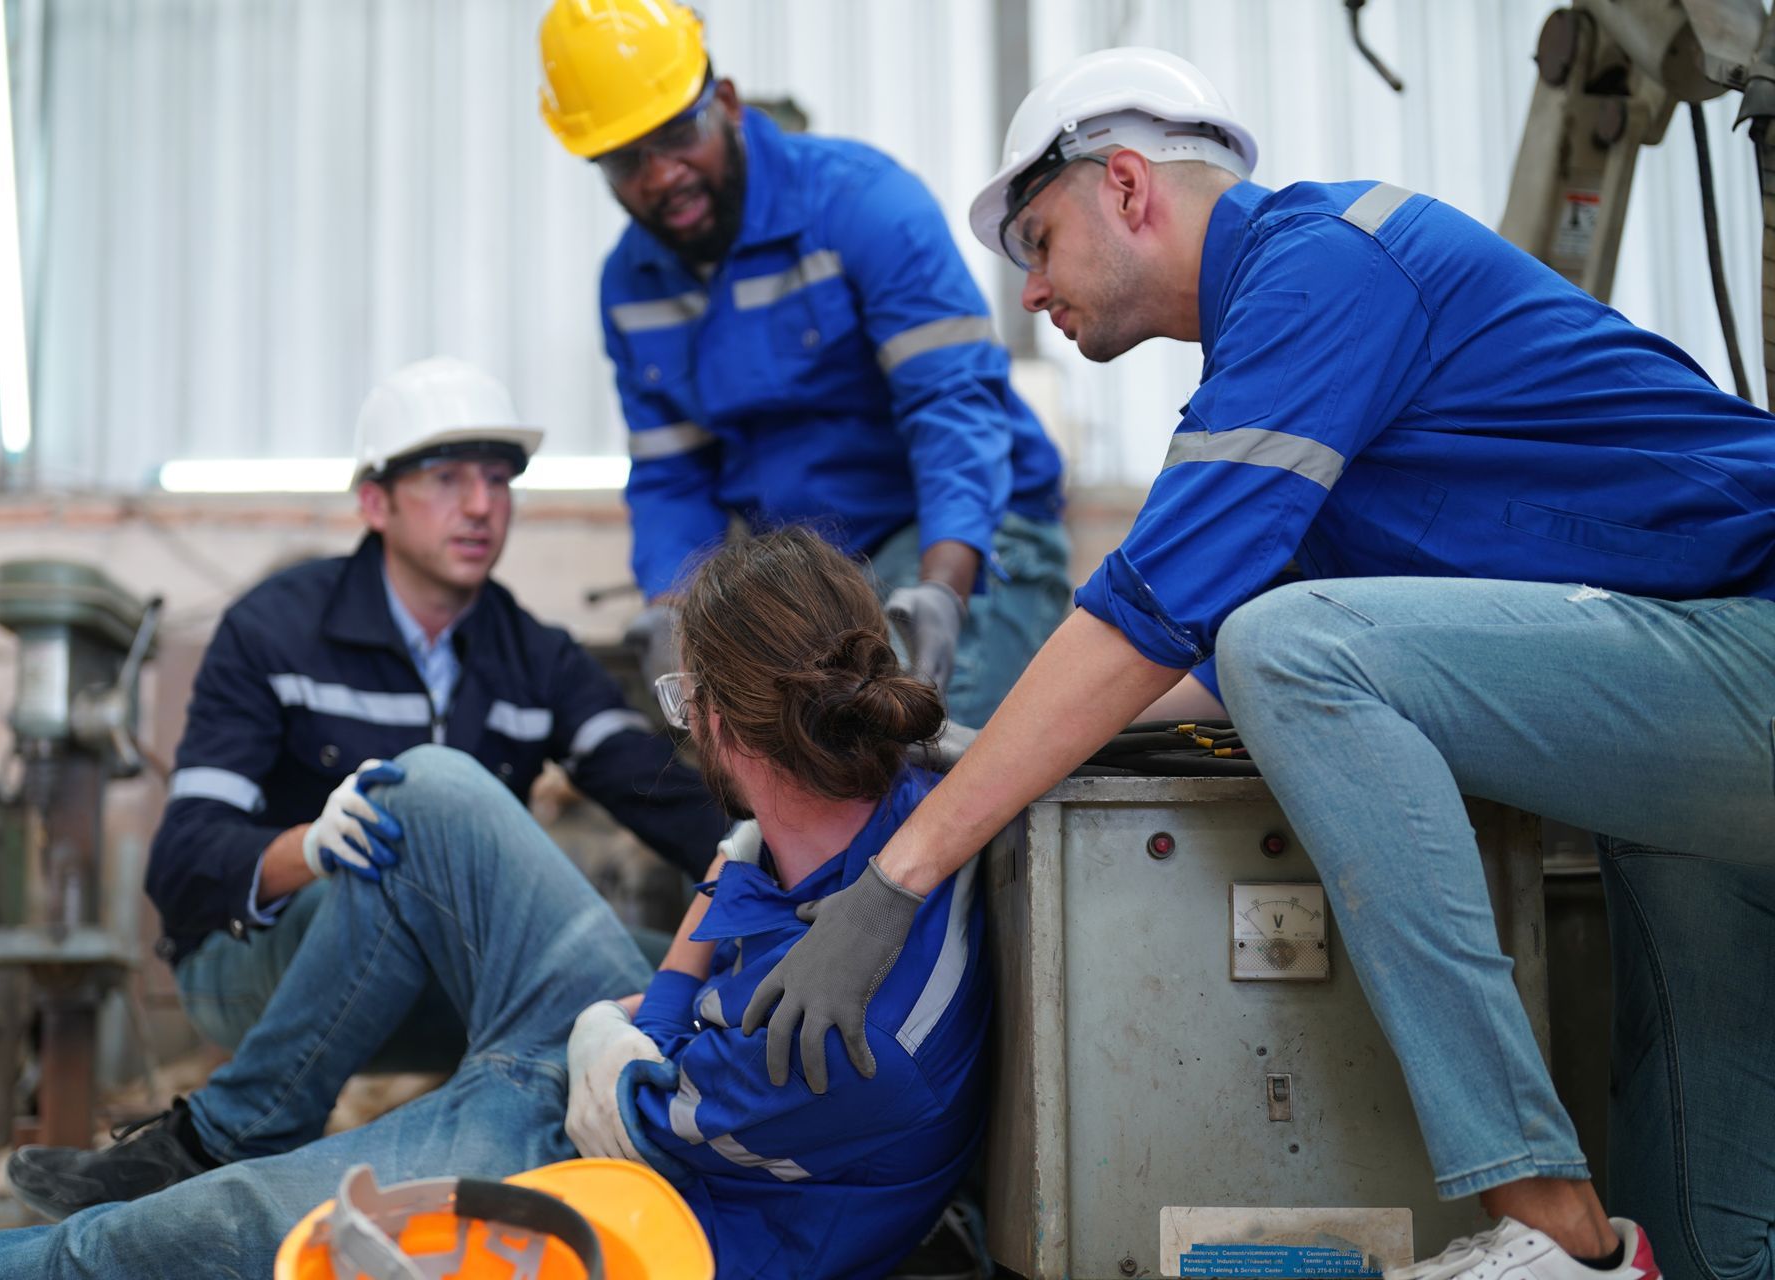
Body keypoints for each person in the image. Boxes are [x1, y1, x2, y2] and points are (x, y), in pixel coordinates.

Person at [742, 46, 1775, 1280]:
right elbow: (1193, 656)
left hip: (1744, 638)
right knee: (1714, 1238)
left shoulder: (1327, 266)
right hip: (1679, 724)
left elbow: (1173, 616)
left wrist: (897, 879)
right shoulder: (1291, 361)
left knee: (1292, 644)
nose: (1032, 289)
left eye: (1036, 240)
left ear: (1127, 184)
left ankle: (1546, 1218)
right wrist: (968, 758)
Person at [0, 527, 989, 1280]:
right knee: (430, 790)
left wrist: (611, 1033)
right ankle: (224, 1129)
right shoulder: (904, 812)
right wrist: (634, 1011)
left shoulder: (833, 1032)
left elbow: (629, 1112)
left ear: (721, 724)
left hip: (631, 1175)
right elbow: (734, 868)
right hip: (632, 1075)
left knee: (141, 1246)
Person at [137, 356, 726, 1064]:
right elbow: (183, 863)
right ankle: (241, 1119)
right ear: (375, 503)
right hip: (256, 964)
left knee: (698, 986)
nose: (480, 506)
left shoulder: (534, 658)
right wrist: (311, 850)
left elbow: (660, 794)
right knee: (371, 898)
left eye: (498, 480)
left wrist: (775, 860)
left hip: (451, 959)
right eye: (447, 479)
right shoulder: (272, 633)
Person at [537, 0, 1071, 727]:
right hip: (818, 574)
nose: (660, 176)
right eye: (628, 160)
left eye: (676, 134)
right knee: (802, 762)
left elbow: (951, 406)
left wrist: (944, 590)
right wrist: (670, 609)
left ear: (726, 102)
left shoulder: (863, 205)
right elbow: (673, 474)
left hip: (965, 529)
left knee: (918, 762)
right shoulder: (631, 286)